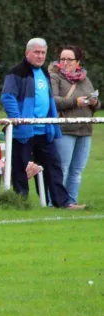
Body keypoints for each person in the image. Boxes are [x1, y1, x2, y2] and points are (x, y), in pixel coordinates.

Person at [0, 38, 84, 209]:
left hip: (44, 130)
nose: (40, 56)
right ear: (27, 53)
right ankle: (20, 203)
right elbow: (7, 97)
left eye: (43, 53)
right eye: (36, 52)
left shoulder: (45, 72)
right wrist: (18, 119)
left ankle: (62, 202)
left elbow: (47, 99)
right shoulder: (16, 72)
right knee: (20, 169)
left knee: (54, 166)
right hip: (24, 130)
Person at [51, 45, 100, 204]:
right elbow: (53, 101)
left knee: (77, 171)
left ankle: (71, 202)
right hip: (65, 129)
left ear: (77, 62)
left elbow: (97, 105)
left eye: (69, 59)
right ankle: (56, 202)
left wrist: (94, 102)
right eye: (62, 59)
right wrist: (75, 102)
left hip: (85, 129)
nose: (64, 62)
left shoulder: (85, 79)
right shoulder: (55, 77)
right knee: (62, 169)